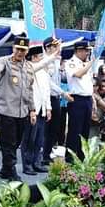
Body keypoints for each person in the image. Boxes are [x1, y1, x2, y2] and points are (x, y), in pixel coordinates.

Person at [0, 36, 36, 180]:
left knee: (16, 142)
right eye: (18, 49)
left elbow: (29, 90)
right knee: (8, 141)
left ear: (27, 50)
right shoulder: (5, 61)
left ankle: (5, 169)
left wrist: (32, 110)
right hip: (6, 109)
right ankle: (11, 170)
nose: (20, 53)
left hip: (22, 111)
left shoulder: (28, 66)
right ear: (13, 48)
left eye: (23, 50)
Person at [21, 45, 52, 175]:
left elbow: (47, 91)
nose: (42, 59)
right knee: (29, 139)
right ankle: (27, 164)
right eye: (40, 57)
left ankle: (37, 162)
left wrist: (48, 108)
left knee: (39, 138)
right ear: (34, 57)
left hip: (42, 109)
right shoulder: (27, 69)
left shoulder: (44, 73)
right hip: (31, 109)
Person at [42, 37, 71, 166]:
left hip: (56, 98)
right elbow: (49, 83)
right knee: (45, 129)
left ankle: (47, 154)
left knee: (54, 129)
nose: (57, 49)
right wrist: (62, 92)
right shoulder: (44, 62)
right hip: (48, 98)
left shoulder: (56, 61)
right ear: (48, 48)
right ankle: (42, 155)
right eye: (54, 47)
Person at [65, 41, 94, 161]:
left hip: (87, 99)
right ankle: (71, 157)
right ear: (78, 51)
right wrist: (90, 63)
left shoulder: (85, 64)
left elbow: (89, 85)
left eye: (87, 51)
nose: (87, 53)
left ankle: (82, 156)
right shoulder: (71, 63)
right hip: (77, 99)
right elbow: (78, 74)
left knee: (85, 131)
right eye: (85, 51)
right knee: (75, 130)